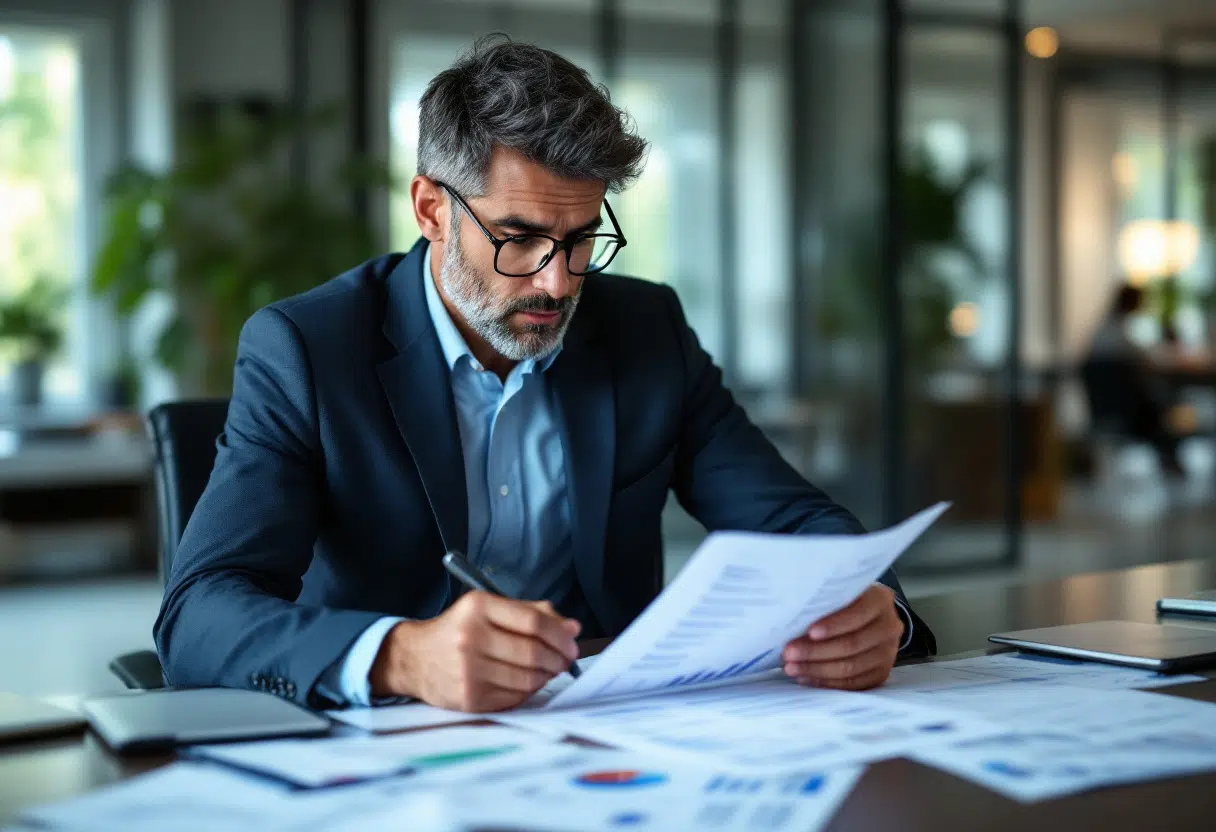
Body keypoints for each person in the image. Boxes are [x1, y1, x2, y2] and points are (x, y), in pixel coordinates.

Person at [155, 37, 934, 713]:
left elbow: (797, 521)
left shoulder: (644, 330)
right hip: (392, 748)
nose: (557, 283)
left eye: (581, 238)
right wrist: (402, 655)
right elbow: (198, 615)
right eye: (520, 238)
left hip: (618, 734)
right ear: (431, 210)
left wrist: (876, 611)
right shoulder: (307, 349)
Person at [1083, 283, 1184, 478]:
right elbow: (1142, 359)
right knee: (1161, 408)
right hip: (1124, 407)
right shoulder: (1116, 332)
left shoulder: (1106, 328)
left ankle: (1169, 459)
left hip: (1111, 405)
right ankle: (1170, 460)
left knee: (1158, 405)